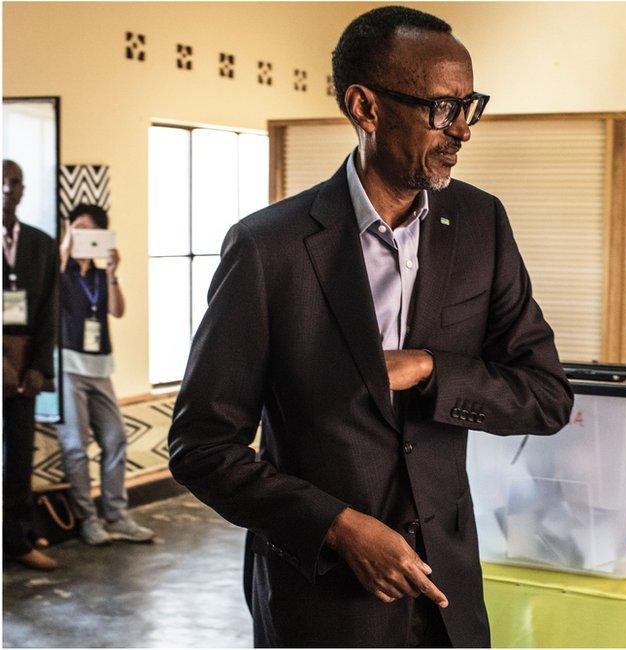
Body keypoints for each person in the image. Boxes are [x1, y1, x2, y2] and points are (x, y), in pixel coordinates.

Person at [168, 6, 573, 647]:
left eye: (472, 105)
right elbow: (201, 448)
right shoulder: (267, 249)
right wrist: (337, 526)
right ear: (366, 107)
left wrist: (432, 369)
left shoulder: (481, 225)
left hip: (448, 596)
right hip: (319, 601)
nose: (463, 130)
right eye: (444, 109)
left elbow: (548, 396)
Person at [56, 204, 154, 545]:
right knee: (76, 446)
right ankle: (88, 520)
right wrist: (65, 249)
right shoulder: (60, 271)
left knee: (115, 438)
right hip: (67, 367)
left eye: (89, 230)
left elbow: (117, 309)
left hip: (100, 368)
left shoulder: (100, 276)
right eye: (76, 228)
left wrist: (112, 272)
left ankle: (116, 514)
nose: (83, 235)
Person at [2, 159, 59, 571]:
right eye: (2, 180)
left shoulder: (42, 243)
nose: (8, 187)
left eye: (15, 181)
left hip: (25, 366)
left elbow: (49, 310)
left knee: (20, 454)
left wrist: (38, 365)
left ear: (24, 189)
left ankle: (19, 541)